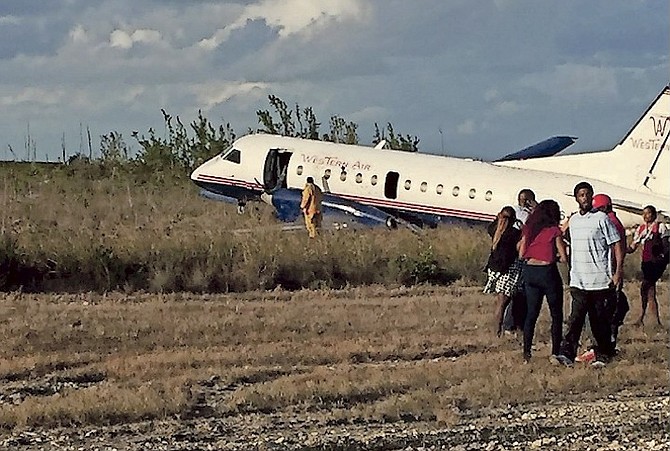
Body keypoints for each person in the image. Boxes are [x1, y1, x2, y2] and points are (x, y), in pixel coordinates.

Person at [554, 181, 623, 368]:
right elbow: (561, 235)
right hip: (579, 279)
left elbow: (616, 244)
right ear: (576, 198)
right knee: (574, 319)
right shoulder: (574, 220)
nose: (584, 198)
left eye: (587, 194)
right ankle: (567, 353)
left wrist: (617, 272)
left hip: (599, 279)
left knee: (598, 320)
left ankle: (603, 354)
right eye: (581, 195)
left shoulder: (602, 219)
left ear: (592, 197)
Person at [574, 193, 628, 363]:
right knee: (606, 313)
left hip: (603, 275)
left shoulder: (605, 220)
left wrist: (616, 272)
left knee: (596, 315)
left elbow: (613, 247)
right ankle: (606, 346)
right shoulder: (615, 221)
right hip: (609, 273)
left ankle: (597, 349)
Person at [518, 199, 568, 363]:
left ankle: (526, 353)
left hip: (530, 271)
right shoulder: (554, 231)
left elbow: (521, 253)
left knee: (531, 314)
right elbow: (563, 256)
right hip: (547, 272)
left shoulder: (529, 229)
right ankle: (555, 352)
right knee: (556, 314)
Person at [627, 205, 669, 327]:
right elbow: (633, 247)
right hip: (646, 262)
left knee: (647, 287)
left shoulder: (660, 227)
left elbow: (666, 244)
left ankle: (645, 317)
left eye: (648, 213)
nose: (646, 216)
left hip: (656, 263)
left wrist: (662, 257)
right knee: (648, 289)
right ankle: (652, 320)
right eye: (644, 214)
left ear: (654, 214)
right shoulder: (641, 229)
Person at [484, 206, 523, 337]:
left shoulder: (493, 230)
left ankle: (498, 330)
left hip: (495, 268)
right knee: (503, 303)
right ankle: (498, 330)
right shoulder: (514, 234)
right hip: (508, 270)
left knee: (501, 302)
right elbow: (520, 251)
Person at [502, 189, 537, 335]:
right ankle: (510, 324)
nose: (524, 202)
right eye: (523, 200)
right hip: (518, 257)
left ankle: (514, 324)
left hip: (520, 256)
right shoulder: (520, 214)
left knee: (519, 292)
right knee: (517, 292)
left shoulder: (527, 213)